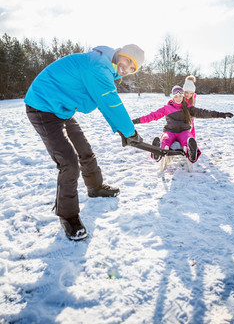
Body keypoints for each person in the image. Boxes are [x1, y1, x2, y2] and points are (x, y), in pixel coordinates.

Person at [24, 44, 144, 241]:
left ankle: (95, 187)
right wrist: (130, 132)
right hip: (42, 107)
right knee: (69, 163)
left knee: (84, 148)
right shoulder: (98, 67)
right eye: (128, 61)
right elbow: (110, 102)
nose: (128, 68)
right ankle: (68, 216)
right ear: (120, 53)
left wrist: (123, 130)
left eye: (133, 68)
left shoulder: (103, 66)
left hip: (61, 109)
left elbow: (104, 102)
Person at [132, 85, 233, 163]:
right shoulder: (166, 108)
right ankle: (157, 152)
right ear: (173, 97)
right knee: (165, 139)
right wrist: (136, 121)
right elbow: (152, 116)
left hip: (183, 132)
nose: (179, 98)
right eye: (176, 96)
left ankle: (192, 153)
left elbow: (203, 112)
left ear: (183, 97)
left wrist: (220, 114)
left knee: (187, 140)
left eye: (181, 96)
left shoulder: (188, 107)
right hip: (170, 131)